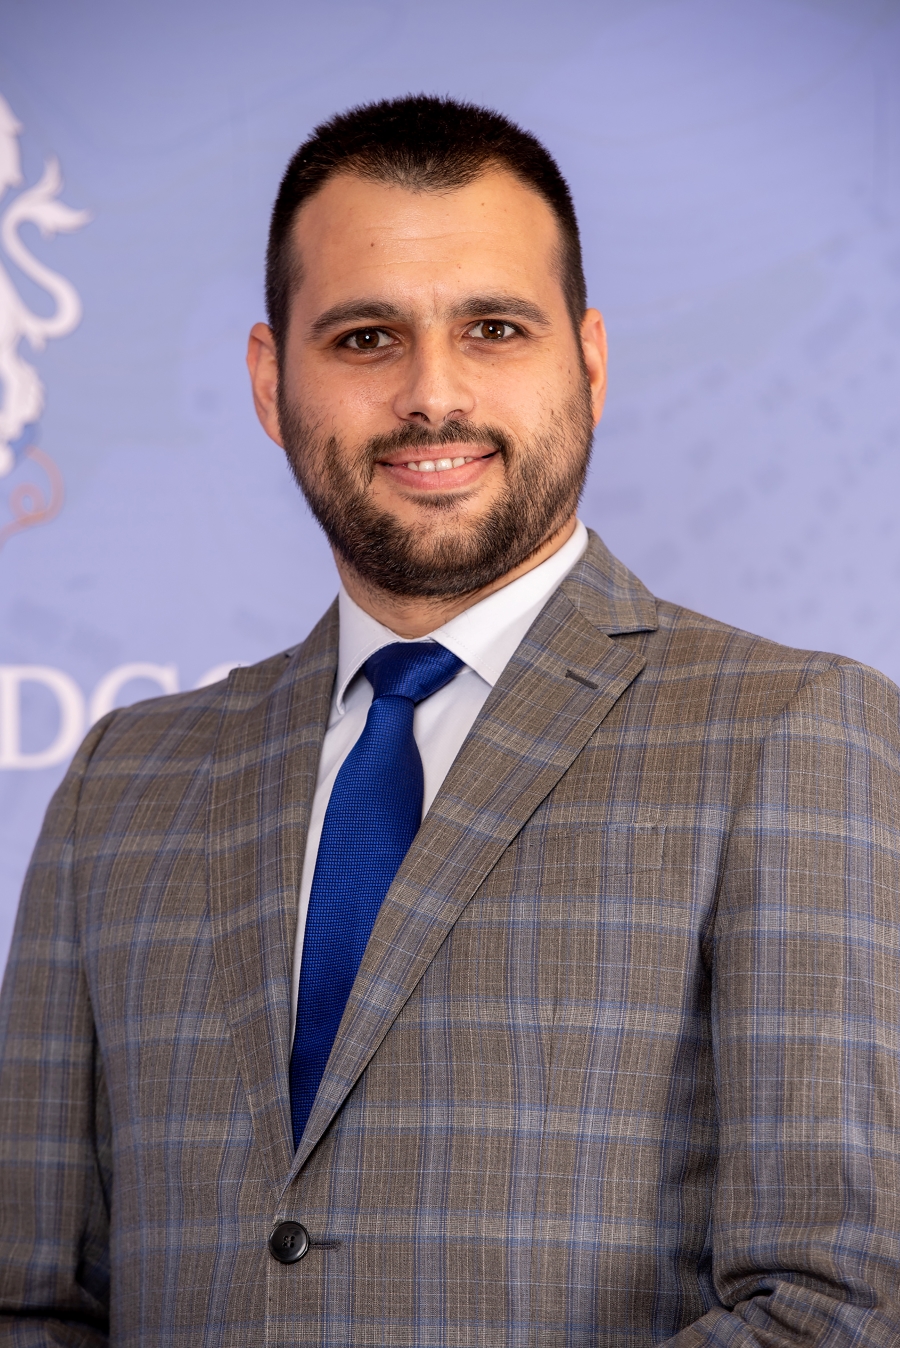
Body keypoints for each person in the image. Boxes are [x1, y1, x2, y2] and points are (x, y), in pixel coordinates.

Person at [1, 95, 899, 1348]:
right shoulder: (123, 780)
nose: (433, 395)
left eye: (494, 328)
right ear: (270, 380)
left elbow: (838, 1303)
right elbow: (29, 1298)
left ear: (589, 361)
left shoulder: (792, 731)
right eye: (366, 336)